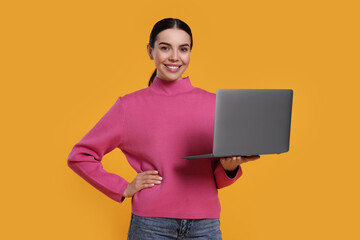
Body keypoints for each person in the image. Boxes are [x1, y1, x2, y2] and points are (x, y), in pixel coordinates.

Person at [67, 18, 260, 240]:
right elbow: (80, 156)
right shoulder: (128, 107)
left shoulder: (215, 104)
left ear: (190, 53)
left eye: (183, 49)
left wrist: (228, 168)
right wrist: (123, 188)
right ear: (150, 51)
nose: (175, 57)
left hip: (205, 225)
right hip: (150, 225)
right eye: (165, 47)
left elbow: (217, 179)